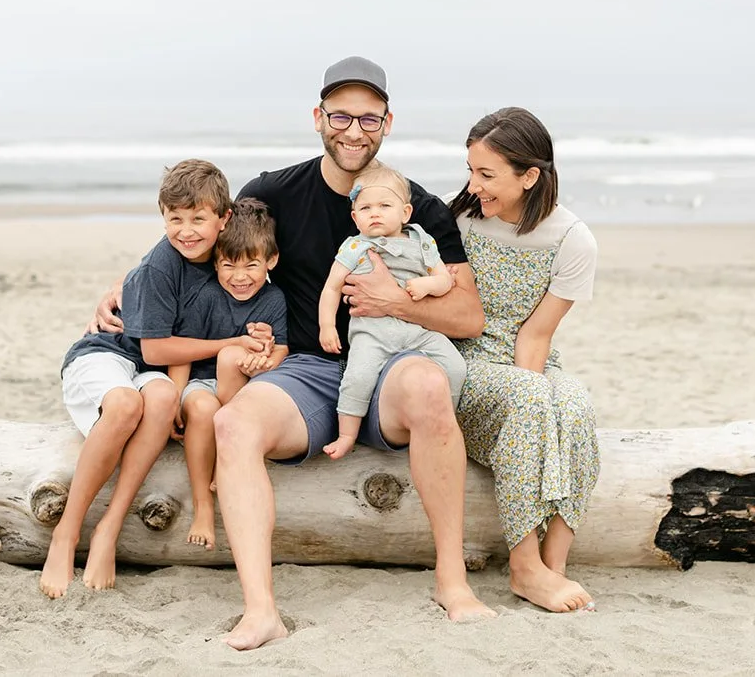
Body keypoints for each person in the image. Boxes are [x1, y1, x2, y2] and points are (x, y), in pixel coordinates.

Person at [90, 56, 495, 648]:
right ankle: (261, 610)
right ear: (317, 118)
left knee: (431, 385)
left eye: (369, 118)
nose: (353, 130)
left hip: (390, 365)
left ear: (387, 123)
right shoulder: (274, 193)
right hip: (302, 369)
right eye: (340, 116)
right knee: (232, 422)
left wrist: (395, 302)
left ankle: (452, 580)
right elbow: (194, 242)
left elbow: (468, 315)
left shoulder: (418, 208)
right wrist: (126, 287)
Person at [41, 159, 269, 598]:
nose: (186, 230)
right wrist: (229, 342)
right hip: (106, 353)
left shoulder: (228, 260)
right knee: (127, 404)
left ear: (224, 219)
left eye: (198, 219)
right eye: (174, 219)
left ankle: (109, 527)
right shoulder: (163, 262)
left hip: (150, 373)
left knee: (163, 402)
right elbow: (156, 349)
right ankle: (66, 535)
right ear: (162, 217)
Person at [448, 107, 600, 614]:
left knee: (574, 402)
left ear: (530, 176)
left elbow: (536, 335)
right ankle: (522, 564)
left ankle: (553, 565)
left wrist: (537, 411)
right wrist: (529, 402)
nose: (473, 186)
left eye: (486, 175)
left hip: (525, 360)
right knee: (534, 397)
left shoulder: (572, 239)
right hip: (464, 363)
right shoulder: (461, 222)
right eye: (470, 170)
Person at [150, 198, 290, 550]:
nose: (239, 277)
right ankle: (202, 504)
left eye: (252, 266)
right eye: (228, 265)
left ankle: (226, 462)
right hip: (199, 382)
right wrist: (172, 404)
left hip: (242, 385)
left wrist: (267, 361)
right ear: (216, 262)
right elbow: (182, 351)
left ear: (271, 261)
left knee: (232, 358)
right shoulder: (207, 297)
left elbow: (282, 348)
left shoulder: (274, 299)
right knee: (202, 408)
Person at [317, 163, 467, 459]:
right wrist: (327, 326)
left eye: (385, 205)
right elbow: (332, 288)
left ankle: (445, 420)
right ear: (355, 216)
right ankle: (347, 433)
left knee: (455, 366)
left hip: (417, 330)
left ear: (405, 213)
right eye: (366, 207)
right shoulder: (354, 247)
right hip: (372, 332)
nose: (375, 213)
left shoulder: (422, 240)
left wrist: (427, 285)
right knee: (358, 376)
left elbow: (444, 279)